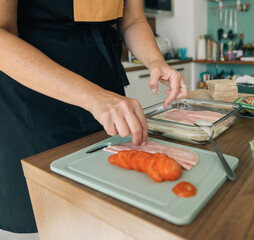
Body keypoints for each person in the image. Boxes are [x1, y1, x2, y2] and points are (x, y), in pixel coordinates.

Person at [0, 0, 189, 237]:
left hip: (104, 88)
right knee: (51, 217)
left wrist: (156, 61)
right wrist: (92, 97)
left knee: (108, 211)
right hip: (37, 94)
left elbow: (133, 19)